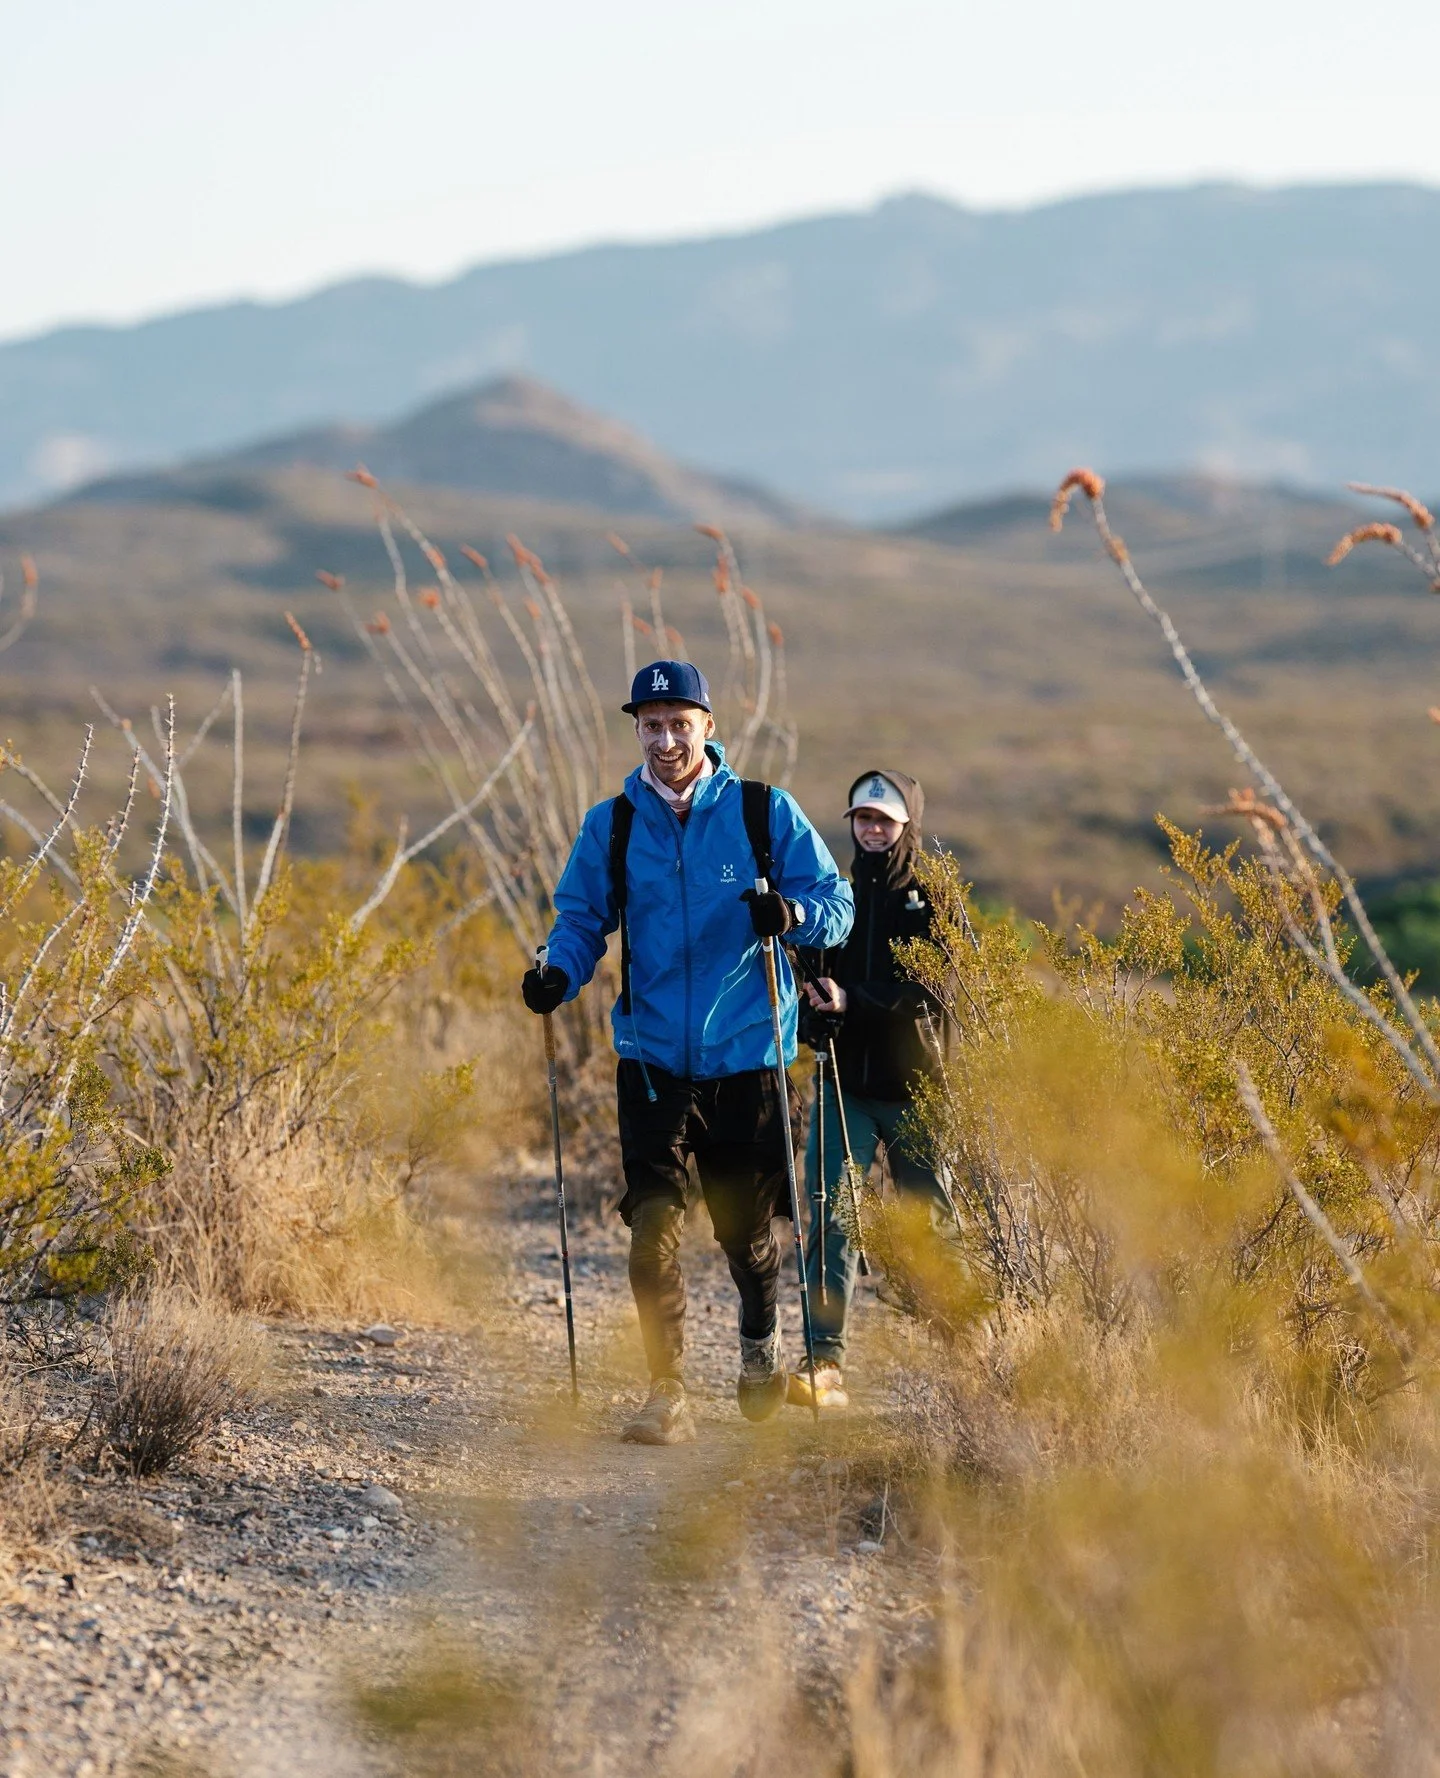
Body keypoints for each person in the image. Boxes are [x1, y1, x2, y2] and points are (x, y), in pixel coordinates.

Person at [520, 660, 854, 1445]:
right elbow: (580, 920)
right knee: (652, 1231)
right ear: (636, 729)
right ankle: (665, 1392)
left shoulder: (763, 812)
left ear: (707, 726)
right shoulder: (613, 824)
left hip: (749, 1056)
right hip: (652, 1061)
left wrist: (790, 912)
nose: (665, 740)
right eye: (651, 725)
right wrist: (557, 972)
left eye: (679, 723)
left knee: (746, 1238)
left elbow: (836, 906)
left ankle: (760, 1346)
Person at [791, 769, 949, 1411]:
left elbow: (935, 991)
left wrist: (854, 999)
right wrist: (814, 1014)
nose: (873, 830)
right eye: (863, 818)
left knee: (929, 1224)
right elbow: (813, 983)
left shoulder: (935, 899)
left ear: (908, 824)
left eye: (885, 819)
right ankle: (824, 1361)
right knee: (833, 1215)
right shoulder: (838, 896)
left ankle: (968, 1355)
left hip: (919, 1087)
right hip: (843, 1082)